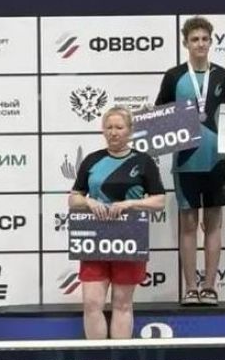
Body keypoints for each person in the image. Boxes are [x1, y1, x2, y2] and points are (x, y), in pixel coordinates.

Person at [155, 16, 225, 307]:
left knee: (213, 224)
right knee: (188, 225)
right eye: (195, 39)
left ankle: (210, 287)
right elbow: (160, 116)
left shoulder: (223, 76)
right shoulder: (173, 76)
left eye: (204, 39)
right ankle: (191, 288)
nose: (200, 44)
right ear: (185, 43)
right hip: (185, 163)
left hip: (217, 161)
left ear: (211, 42)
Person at [68, 107, 165, 340]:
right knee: (92, 303)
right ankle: (97, 359)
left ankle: (119, 358)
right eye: (109, 127)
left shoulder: (143, 161)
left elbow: (159, 201)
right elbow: (73, 198)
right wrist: (89, 202)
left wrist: (131, 204)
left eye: (119, 127)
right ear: (103, 130)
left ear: (129, 131)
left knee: (122, 304)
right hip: (95, 238)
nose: (113, 132)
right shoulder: (92, 160)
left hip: (129, 237)